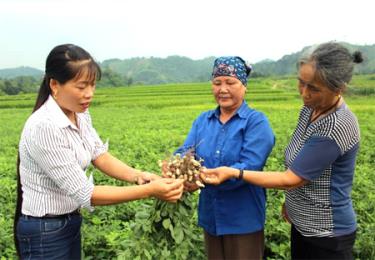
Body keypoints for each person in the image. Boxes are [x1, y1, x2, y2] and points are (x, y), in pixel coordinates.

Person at [14, 44, 184, 259]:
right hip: (44, 231)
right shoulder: (44, 126)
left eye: (93, 85)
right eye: (81, 86)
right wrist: (151, 191)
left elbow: (98, 154)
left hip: (68, 222)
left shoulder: (80, 113)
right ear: (55, 85)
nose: (89, 94)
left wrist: (139, 176)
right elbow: (86, 193)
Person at [202, 42, 363, 260]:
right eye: (301, 83)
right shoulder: (311, 108)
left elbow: (291, 178)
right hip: (301, 225)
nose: (304, 93)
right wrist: (292, 201)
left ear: (339, 88)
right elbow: (300, 162)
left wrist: (233, 172)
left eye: (314, 88)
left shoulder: (337, 124)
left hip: (327, 233)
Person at [173, 56, 275, 259]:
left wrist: (205, 179)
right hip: (211, 216)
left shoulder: (256, 122)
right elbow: (186, 150)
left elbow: (250, 165)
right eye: (217, 83)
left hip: (242, 218)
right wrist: (177, 167)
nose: (223, 89)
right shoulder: (203, 120)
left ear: (244, 85)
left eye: (230, 82)